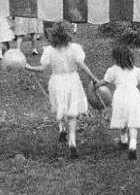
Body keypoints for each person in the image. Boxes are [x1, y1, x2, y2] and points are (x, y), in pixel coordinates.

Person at [25, 20, 99, 158]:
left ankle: (61, 128)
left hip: (57, 81)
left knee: (59, 106)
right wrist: (94, 79)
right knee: (72, 112)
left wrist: (28, 67)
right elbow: (83, 66)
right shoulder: (75, 48)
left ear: (53, 35)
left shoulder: (49, 50)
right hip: (73, 81)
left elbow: (42, 69)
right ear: (68, 34)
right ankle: (72, 141)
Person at [96, 44, 140, 160]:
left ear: (116, 58)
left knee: (122, 118)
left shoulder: (112, 70)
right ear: (130, 57)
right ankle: (133, 146)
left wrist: (96, 84)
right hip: (133, 95)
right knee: (133, 121)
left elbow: (105, 82)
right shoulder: (137, 70)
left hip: (119, 96)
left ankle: (124, 140)